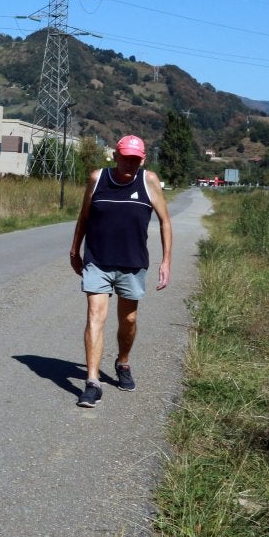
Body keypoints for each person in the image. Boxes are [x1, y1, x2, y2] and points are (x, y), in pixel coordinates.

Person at [67, 134, 172, 408]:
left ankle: (122, 362)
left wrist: (166, 260)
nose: (130, 164)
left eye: (135, 160)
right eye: (125, 158)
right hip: (98, 260)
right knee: (95, 317)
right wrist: (74, 250)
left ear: (143, 159)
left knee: (129, 320)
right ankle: (92, 383)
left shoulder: (148, 181)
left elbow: (165, 221)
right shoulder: (97, 179)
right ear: (115, 156)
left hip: (132, 262)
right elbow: (84, 217)